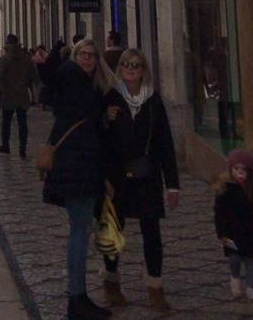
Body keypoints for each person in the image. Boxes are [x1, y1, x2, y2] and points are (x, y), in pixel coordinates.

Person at [40, 36, 116, 320]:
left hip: (77, 168)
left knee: (80, 231)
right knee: (80, 233)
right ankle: (77, 298)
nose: (87, 59)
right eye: (82, 54)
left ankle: (78, 296)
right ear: (74, 56)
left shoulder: (83, 86)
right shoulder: (74, 82)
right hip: (77, 169)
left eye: (91, 55)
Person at [102, 47, 180, 313]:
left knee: (152, 233)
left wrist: (173, 184)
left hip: (147, 175)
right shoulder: (111, 98)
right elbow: (101, 141)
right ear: (120, 69)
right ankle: (111, 283)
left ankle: (156, 288)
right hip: (117, 177)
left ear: (143, 70)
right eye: (126, 64)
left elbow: (165, 144)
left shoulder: (153, 101)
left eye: (136, 65)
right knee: (113, 232)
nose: (131, 69)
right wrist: (105, 119)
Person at [214, 148, 253, 303]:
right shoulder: (225, 190)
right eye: (236, 169)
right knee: (235, 259)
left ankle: (251, 288)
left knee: (251, 261)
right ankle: (235, 279)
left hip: (252, 232)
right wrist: (222, 233)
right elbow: (220, 214)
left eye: (244, 170)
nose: (240, 173)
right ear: (231, 169)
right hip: (232, 232)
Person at [0, 33, 36, 158]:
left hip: (8, 94)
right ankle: (22, 149)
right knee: (22, 123)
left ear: (7, 44)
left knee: (6, 122)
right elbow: (34, 77)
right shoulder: (26, 58)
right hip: (22, 95)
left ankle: (6, 146)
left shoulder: (5, 59)